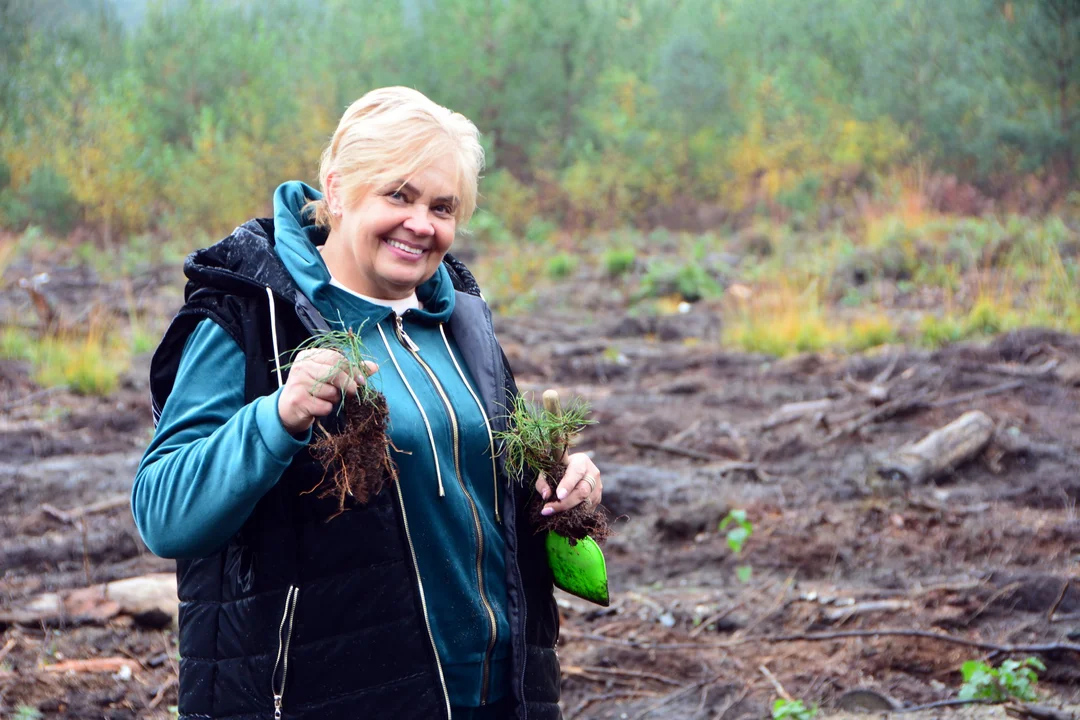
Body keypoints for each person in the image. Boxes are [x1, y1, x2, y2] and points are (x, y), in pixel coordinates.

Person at [132, 86, 602, 720]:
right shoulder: (249, 316)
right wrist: (278, 416)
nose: (422, 224)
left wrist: (564, 491)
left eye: (443, 206)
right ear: (339, 187)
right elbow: (163, 513)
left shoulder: (461, 322)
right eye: (398, 195)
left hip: (495, 696)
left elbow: (486, 507)